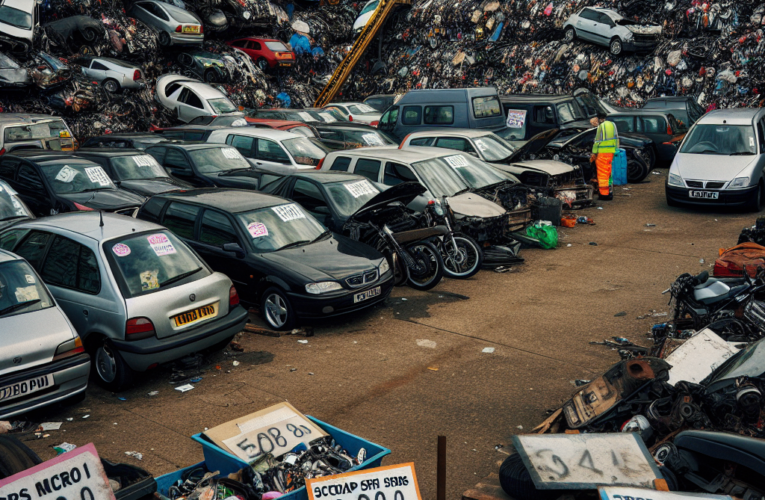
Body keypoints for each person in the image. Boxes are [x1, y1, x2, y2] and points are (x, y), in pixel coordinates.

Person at [590, 112, 619, 201]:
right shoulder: (612, 125)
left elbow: (597, 141)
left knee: (602, 174)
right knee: (608, 173)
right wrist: (616, 150)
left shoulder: (601, 127)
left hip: (602, 153)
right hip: (611, 152)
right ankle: (610, 192)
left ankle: (604, 195)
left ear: (599, 119)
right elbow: (616, 137)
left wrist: (594, 153)